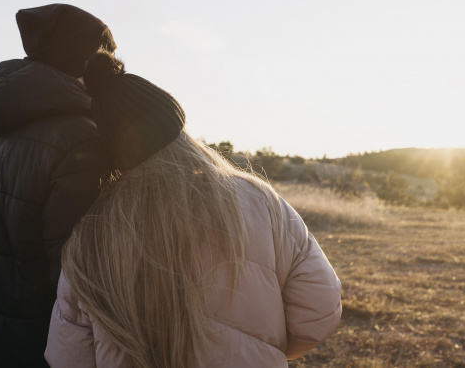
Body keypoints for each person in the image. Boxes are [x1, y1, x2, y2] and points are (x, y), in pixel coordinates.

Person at [44, 53, 342, 368]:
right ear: (180, 130)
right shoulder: (260, 201)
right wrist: (264, 351)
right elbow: (317, 313)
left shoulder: (90, 234)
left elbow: (68, 357)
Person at [0, 4, 115, 368]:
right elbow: (76, 276)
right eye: (107, 55)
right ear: (85, 61)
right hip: (42, 345)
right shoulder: (82, 141)